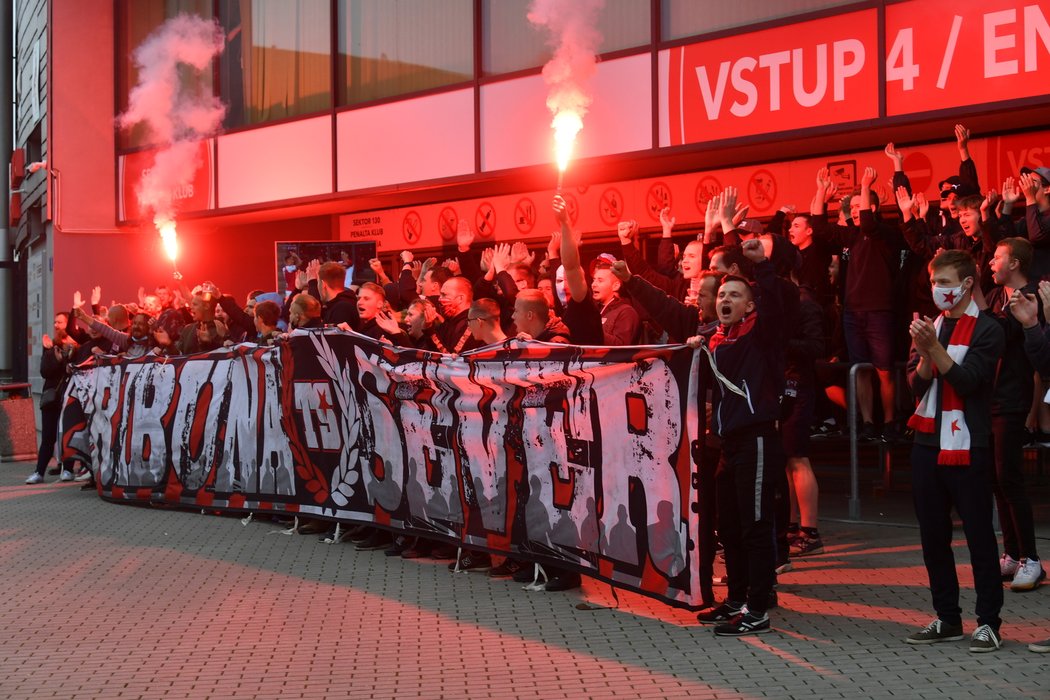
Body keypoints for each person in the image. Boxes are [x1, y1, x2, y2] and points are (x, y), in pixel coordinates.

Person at [614, 238, 784, 636]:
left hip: (757, 440)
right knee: (730, 525)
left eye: (734, 295)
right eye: (721, 294)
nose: (725, 299)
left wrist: (762, 268)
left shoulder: (763, 335)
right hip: (728, 444)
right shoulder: (713, 336)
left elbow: (776, 304)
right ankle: (737, 599)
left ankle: (758, 609)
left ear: (750, 305)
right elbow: (671, 310)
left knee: (755, 526)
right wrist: (633, 281)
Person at [904, 249, 1005, 653]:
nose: (938, 290)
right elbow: (915, 385)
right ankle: (947, 617)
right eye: (934, 283)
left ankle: (989, 622)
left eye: (945, 283)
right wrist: (926, 351)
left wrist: (934, 349)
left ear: (966, 285)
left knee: (979, 536)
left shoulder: (989, 329)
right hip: (927, 443)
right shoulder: (930, 327)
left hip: (968, 444)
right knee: (933, 536)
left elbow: (968, 382)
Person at [983, 238, 1045, 592]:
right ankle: (1011, 553)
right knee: (995, 478)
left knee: (1010, 478)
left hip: (1014, 398)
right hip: (991, 396)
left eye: (997, 257)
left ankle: (1031, 559)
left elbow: (1009, 337)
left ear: (1016, 263)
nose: (991, 262)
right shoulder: (997, 297)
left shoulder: (1032, 296)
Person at [25, 313, 78, 484]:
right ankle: (39, 472)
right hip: (51, 396)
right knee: (48, 436)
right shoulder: (50, 346)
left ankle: (68, 469)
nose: (56, 325)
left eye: (60, 322)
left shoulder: (76, 345)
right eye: (55, 322)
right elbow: (45, 371)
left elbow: (74, 368)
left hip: (69, 396)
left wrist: (64, 358)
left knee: (67, 433)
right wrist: (56, 357)